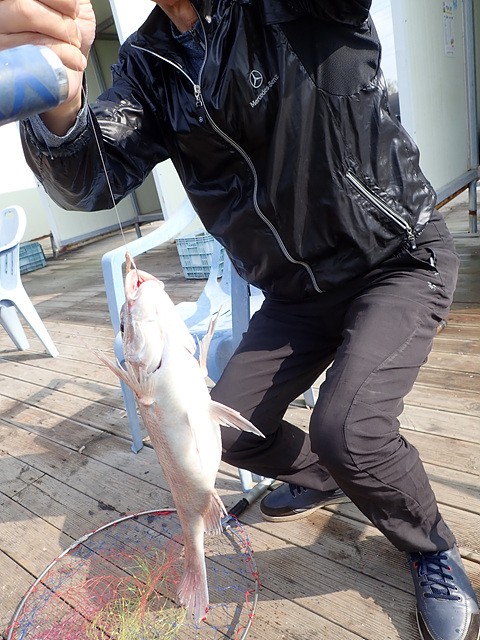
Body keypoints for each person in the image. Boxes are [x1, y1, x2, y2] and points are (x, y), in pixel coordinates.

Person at [1, 1, 478, 638]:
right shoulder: (150, 65)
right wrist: (59, 96)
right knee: (221, 432)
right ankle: (324, 476)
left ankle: (432, 547)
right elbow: (88, 177)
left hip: (394, 259)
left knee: (348, 427)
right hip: (295, 295)